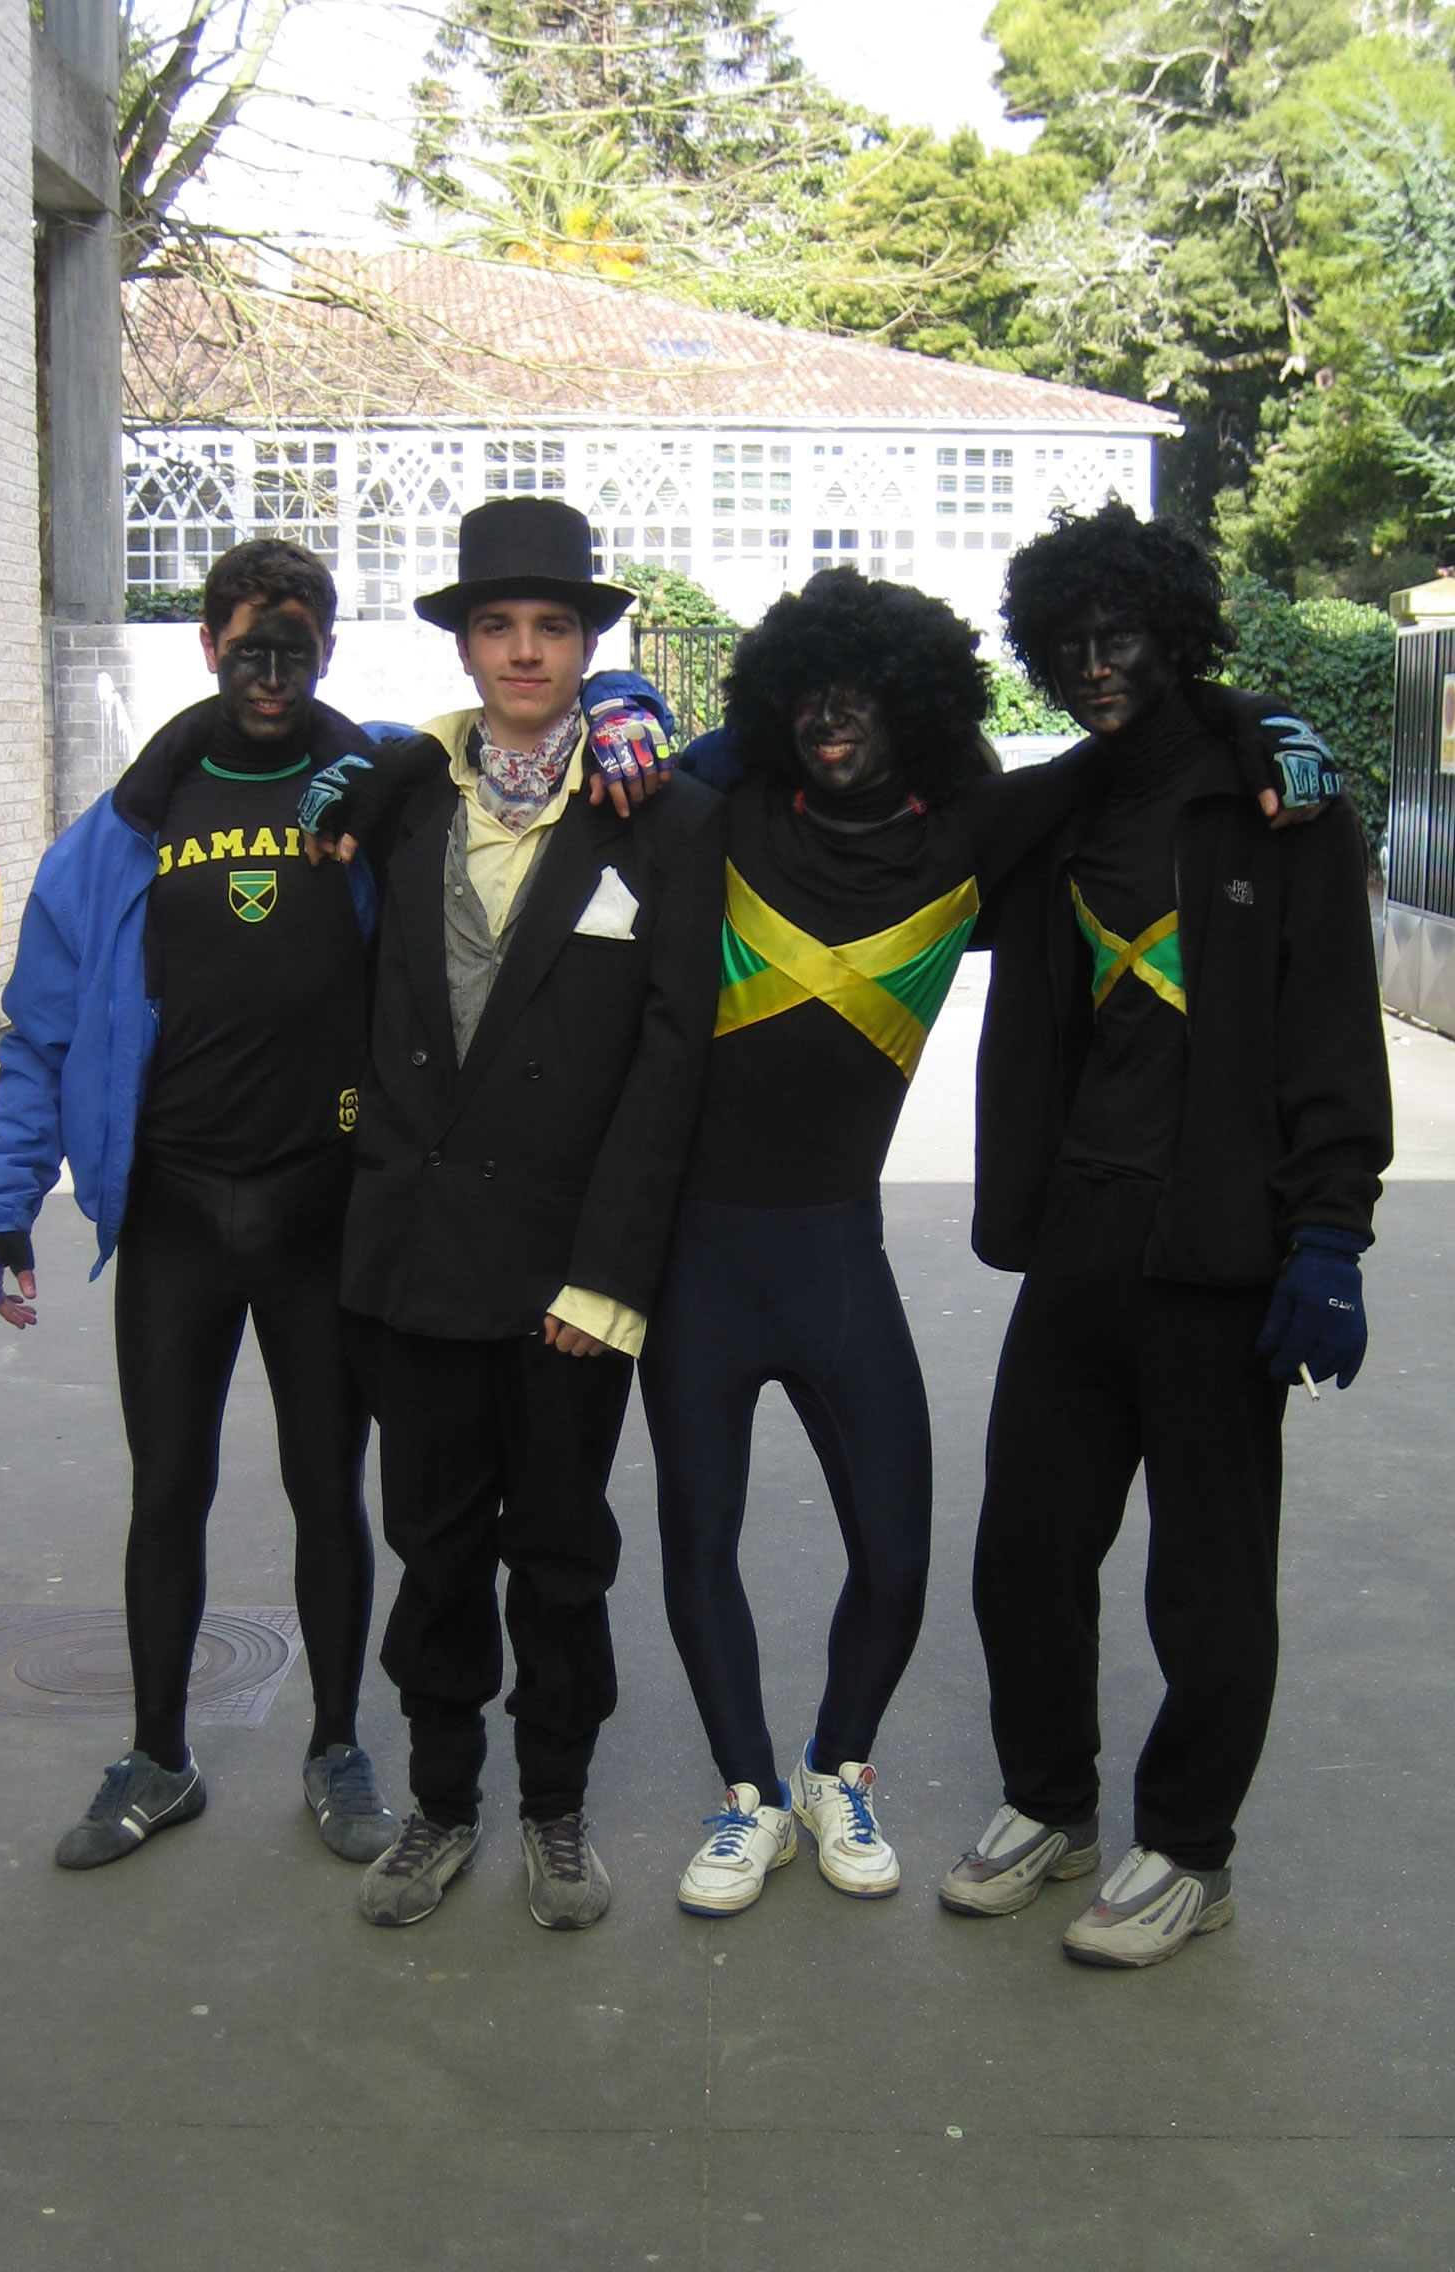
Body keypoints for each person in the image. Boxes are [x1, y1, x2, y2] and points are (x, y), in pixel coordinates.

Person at [938, 502, 1393, 1967]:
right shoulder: (1059, 809)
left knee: (1206, 1580)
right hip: (1080, 1234)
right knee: (1024, 1549)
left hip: (1220, 1251)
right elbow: (889, 810)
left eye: (1121, 637)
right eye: (1068, 645)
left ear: (1173, 633)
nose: (1095, 667)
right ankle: (1051, 1804)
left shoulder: (1278, 802)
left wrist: (1329, 1235)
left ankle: (1191, 1851)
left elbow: (1331, 1023)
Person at [640, 568, 1126, 1917]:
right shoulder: (722, 811)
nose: (830, 715)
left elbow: (1140, 745)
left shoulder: (973, 835)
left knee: (900, 1558)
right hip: (695, 1268)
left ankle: (832, 1769)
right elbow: (578, 765)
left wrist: (1268, 730)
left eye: (862, 692)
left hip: (837, 1264)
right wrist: (635, 706)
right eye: (807, 692)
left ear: (917, 704)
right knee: (698, 1545)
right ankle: (747, 1796)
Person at [320, 496, 727, 1931]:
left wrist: (609, 1277)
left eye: (554, 626)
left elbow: (671, 1066)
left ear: (590, 646)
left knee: (559, 1557)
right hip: (419, 1261)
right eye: (498, 625)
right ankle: (441, 1807)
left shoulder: (663, 818)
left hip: (565, 1278)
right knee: (432, 1553)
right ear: (465, 646)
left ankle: (556, 1808)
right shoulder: (405, 796)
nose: (526, 651)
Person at [0, 539, 400, 1871]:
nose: (271, 676)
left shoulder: (379, 790)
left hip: (321, 1209)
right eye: (248, 649)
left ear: (326, 652)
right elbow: (42, 1035)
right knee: (169, 1491)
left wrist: (629, 706)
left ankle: (336, 1749)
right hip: (174, 1214)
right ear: (207, 647)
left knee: (328, 1489)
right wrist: (4, 1197)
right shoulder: (117, 836)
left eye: (295, 652)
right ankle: (160, 1760)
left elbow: (503, 743)